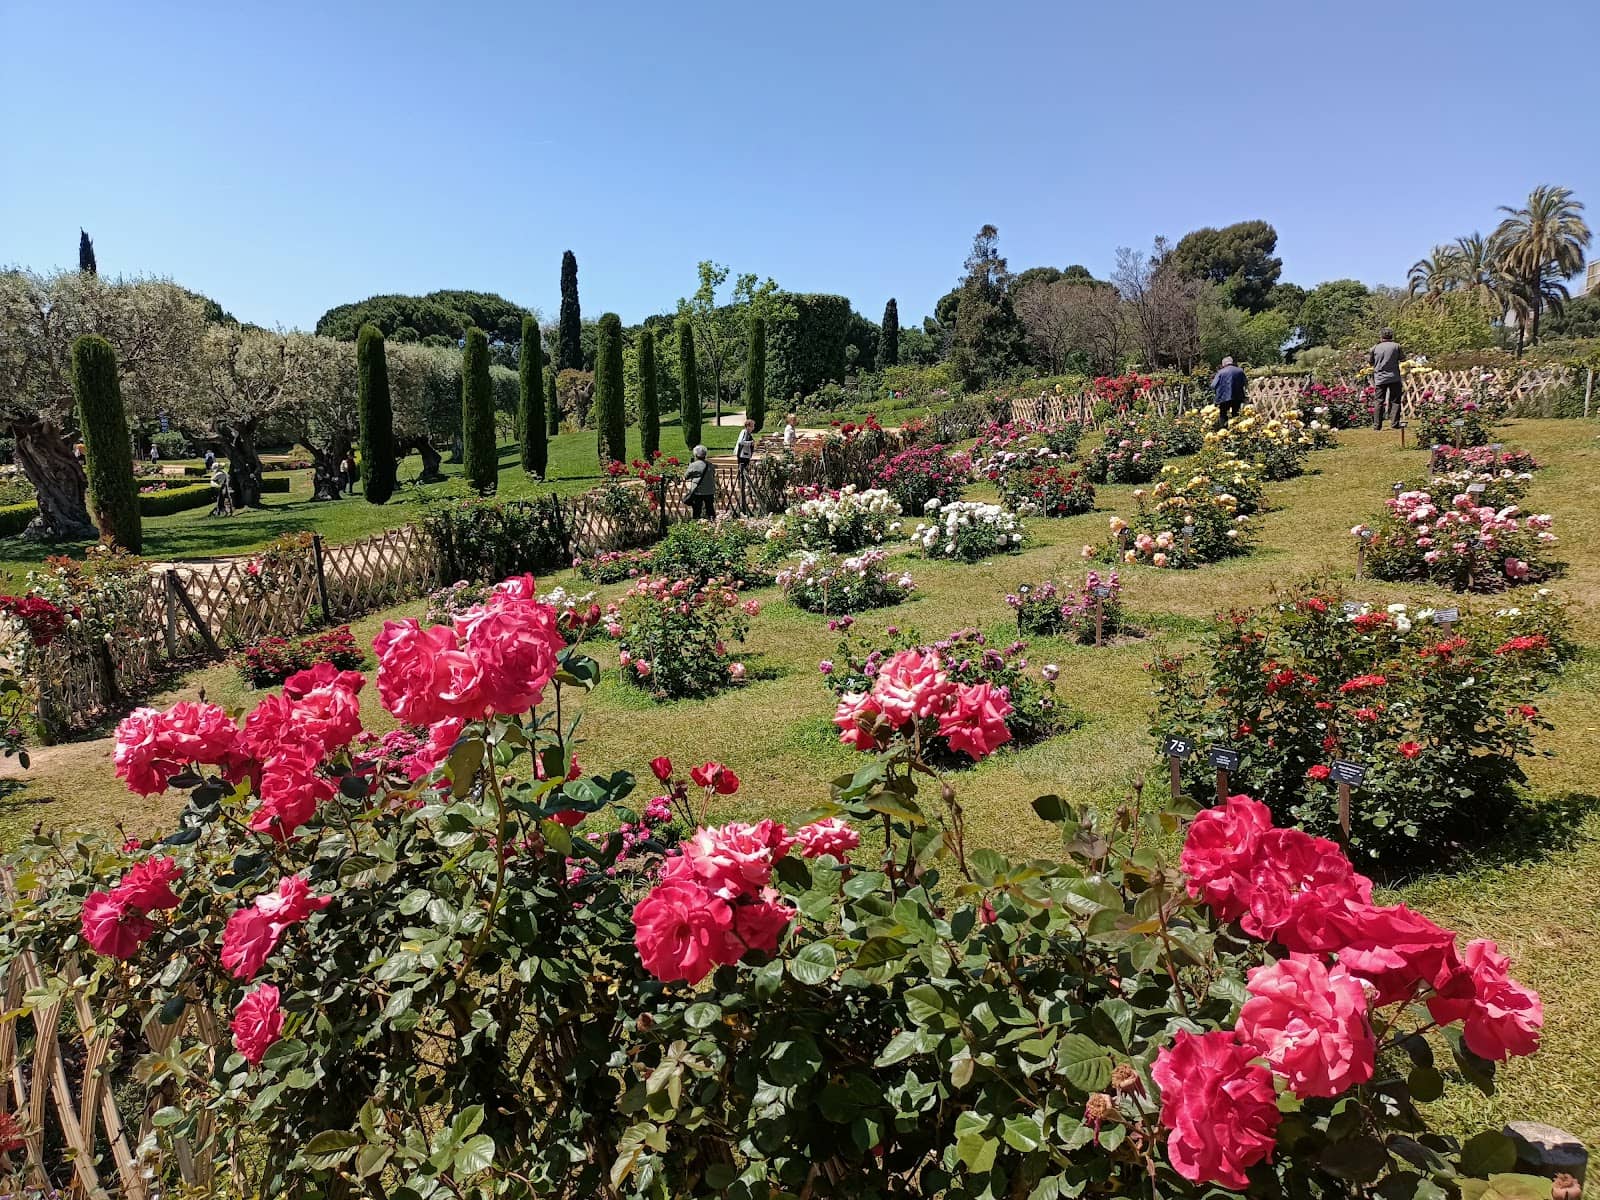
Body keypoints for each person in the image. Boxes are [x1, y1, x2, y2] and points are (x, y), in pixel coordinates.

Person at [1370, 327, 1405, 430]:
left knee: (1379, 401)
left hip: (1380, 378)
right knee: (1395, 400)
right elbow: (1402, 358)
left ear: (1381, 337)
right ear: (1391, 336)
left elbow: (1371, 362)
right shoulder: (1396, 346)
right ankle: (1394, 423)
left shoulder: (1375, 348)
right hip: (1394, 377)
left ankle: (1377, 425)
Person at [1210, 356, 1248, 424]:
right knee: (1236, 414)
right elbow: (1245, 383)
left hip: (1223, 397)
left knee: (1223, 414)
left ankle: (1223, 430)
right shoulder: (1240, 371)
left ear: (1223, 364)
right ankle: (1236, 430)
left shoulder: (1221, 372)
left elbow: (1213, 385)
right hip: (1237, 396)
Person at [683, 444, 715, 519]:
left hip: (698, 491)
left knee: (697, 510)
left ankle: (696, 524)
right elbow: (713, 474)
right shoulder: (710, 465)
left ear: (695, 455)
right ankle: (713, 524)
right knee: (710, 510)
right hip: (710, 490)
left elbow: (686, 476)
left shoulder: (693, 465)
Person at [734, 418, 756, 510]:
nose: (753, 428)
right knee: (742, 469)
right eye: (752, 426)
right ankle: (741, 483)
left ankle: (742, 482)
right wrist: (750, 443)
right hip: (742, 455)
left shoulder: (748, 433)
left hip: (746, 455)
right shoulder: (744, 432)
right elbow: (741, 442)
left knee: (744, 469)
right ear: (748, 426)